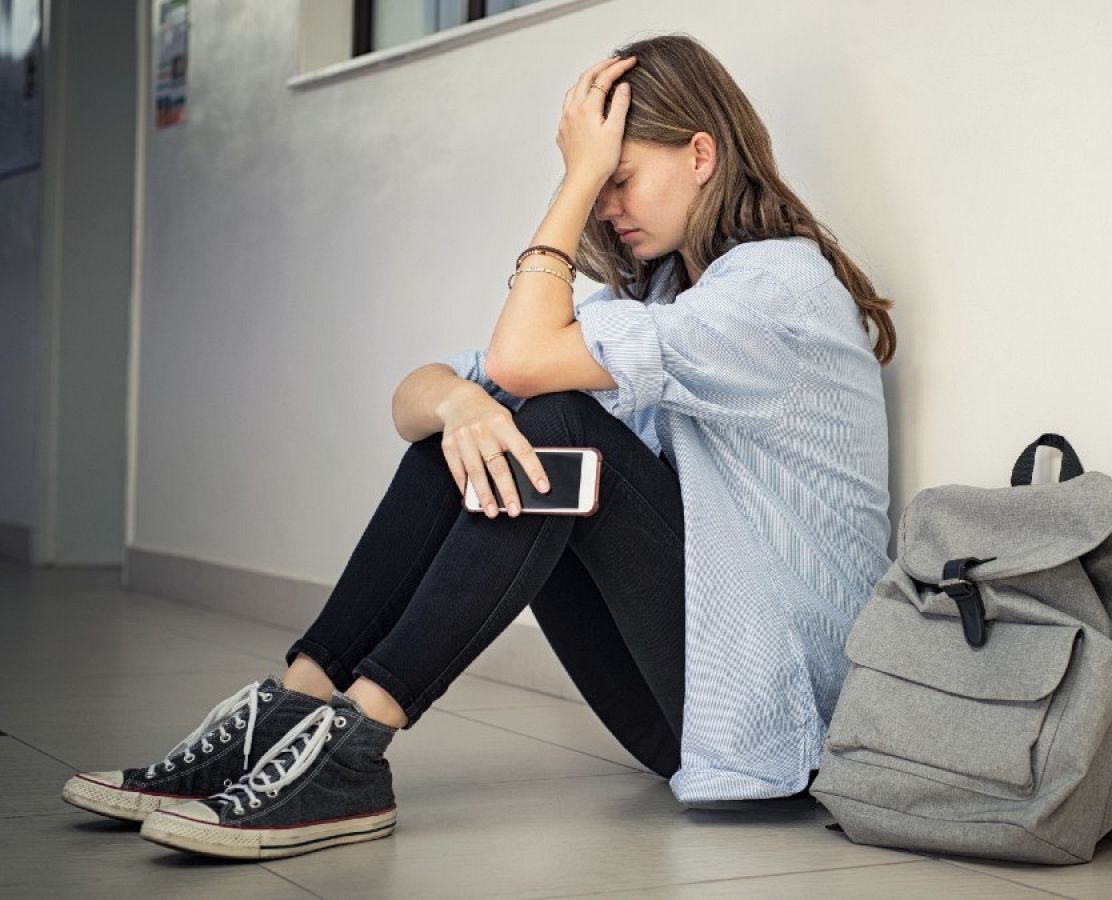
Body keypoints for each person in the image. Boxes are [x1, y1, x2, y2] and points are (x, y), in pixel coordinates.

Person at [59, 33, 897, 860]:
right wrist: (460, 405)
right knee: (465, 433)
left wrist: (572, 181)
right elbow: (416, 397)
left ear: (701, 154)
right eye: (595, 186)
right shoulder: (666, 295)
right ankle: (291, 713)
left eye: (618, 179)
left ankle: (353, 750)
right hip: (691, 709)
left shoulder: (777, 288)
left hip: (780, 715)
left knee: (553, 425)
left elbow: (520, 361)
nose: (605, 205)